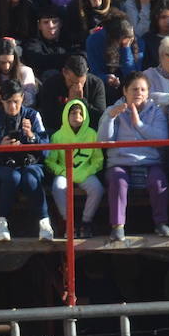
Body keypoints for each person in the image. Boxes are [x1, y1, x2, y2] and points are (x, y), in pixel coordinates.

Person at [0, 80, 53, 242]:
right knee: (12, 177)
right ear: (1, 100)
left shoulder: (33, 115)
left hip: (30, 163)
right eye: (8, 102)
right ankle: (1, 223)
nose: (13, 106)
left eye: (16, 101)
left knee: (30, 177)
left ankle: (44, 223)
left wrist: (31, 136)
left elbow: (46, 150)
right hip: (2, 165)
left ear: (22, 98)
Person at [46, 98, 104, 238]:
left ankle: (86, 222)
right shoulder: (58, 136)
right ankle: (69, 223)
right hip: (65, 173)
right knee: (58, 187)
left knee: (97, 188)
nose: (76, 117)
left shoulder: (92, 134)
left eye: (80, 114)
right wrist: (62, 171)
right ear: (66, 115)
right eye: (72, 113)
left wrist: (87, 171)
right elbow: (50, 161)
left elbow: (98, 159)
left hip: (85, 173)